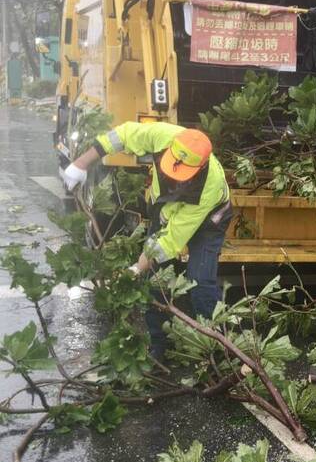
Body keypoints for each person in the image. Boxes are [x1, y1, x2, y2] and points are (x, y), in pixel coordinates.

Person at [63, 122, 232, 359]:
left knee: (200, 282)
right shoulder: (163, 136)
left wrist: (135, 268)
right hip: (164, 209)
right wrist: (81, 163)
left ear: (199, 167)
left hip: (208, 223)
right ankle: (158, 345)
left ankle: (221, 348)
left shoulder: (209, 186)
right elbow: (120, 135)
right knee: (155, 281)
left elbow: (170, 241)